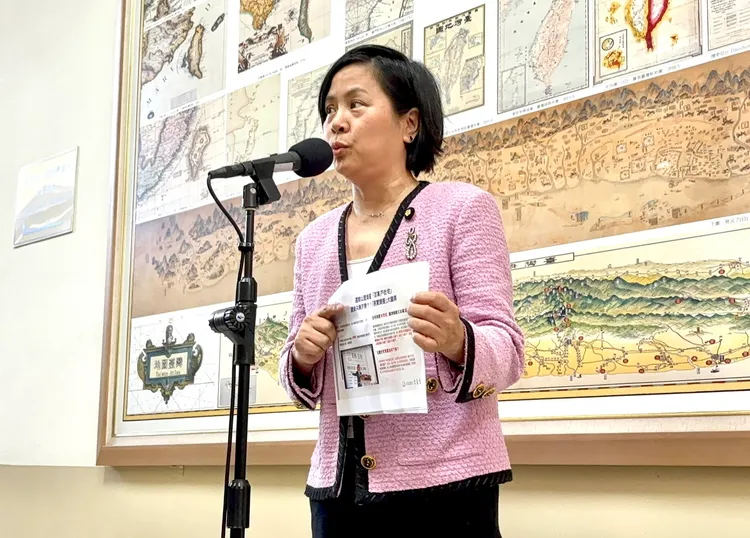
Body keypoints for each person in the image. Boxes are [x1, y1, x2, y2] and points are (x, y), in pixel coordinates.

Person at [277, 44, 525, 538]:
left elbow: (508, 351)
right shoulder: (312, 240)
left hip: (446, 485)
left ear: (409, 123)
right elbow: (296, 374)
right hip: (338, 488)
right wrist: (302, 357)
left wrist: (458, 340)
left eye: (356, 104)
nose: (336, 123)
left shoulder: (462, 209)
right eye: (330, 109)